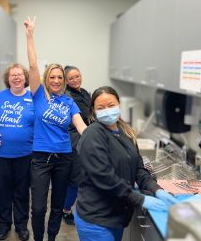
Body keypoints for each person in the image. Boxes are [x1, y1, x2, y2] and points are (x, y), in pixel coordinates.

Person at [74, 86, 178, 241]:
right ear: (94, 112)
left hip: (117, 216)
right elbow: (104, 177)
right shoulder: (93, 135)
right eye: (101, 107)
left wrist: (156, 190)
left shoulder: (125, 133)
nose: (107, 110)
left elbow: (139, 169)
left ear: (119, 105)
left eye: (111, 105)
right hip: (96, 218)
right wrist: (140, 199)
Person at [24, 16, 87, 241]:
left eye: (60, 77)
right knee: (39, 207)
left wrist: (101, 140)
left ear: (64, 81)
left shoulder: (69, 102)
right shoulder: (39, 95)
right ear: (46, 78)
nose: (57, 80)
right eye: (53, 76)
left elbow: (81, 126)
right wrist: (30, 36)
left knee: (58, 207)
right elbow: (32, 65)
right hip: (40, 158)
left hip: (64, 157)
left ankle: (51, 238)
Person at [0, 63, 34, 241]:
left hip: (25, 155)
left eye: (20, 74)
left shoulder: (33, 99)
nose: (16, 77)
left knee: (21, 191)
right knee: (3, 191)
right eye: (13, 75)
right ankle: (4, 224)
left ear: (25, 78)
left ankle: (21, 226)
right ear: (8, 79)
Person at [62, 66, 91, 225]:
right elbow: (83, 119)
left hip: (86, 138)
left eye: (77, 76)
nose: (75, 80)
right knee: (75, 179)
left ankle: (74, 208)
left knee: (81, 179)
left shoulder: (85, 92)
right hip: (75, 141)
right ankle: (66, 209)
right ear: (66, 81)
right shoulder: (68, 96)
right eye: (71, 78)